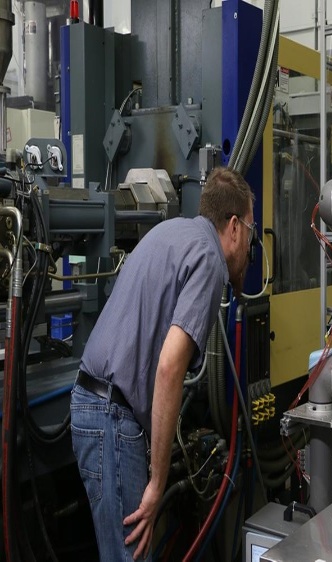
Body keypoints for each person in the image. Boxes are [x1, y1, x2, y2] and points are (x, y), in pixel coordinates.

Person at [70, 167, 255, 561]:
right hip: (111, 417)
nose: (250, 248)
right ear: (234, 227)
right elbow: (170, 367)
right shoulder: (210, 259)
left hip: (95, 405)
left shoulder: (172, 233)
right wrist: (158, 482)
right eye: (251, 233)